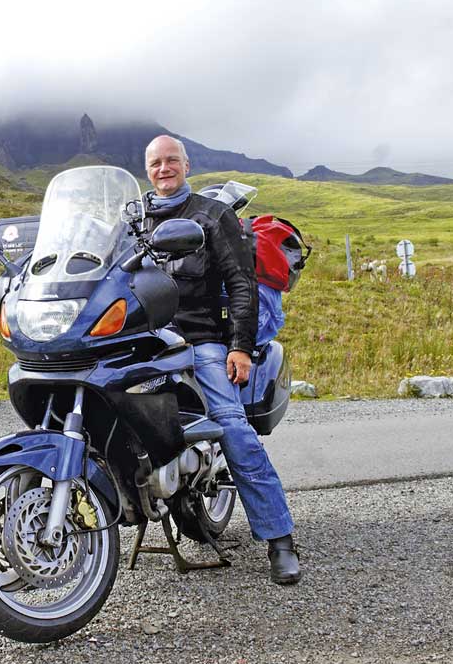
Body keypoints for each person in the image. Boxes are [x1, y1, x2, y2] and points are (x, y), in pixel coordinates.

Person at [143, 134, 301, 585]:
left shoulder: (213, 216)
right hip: (145, 339)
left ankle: (279, 539)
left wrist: (239, 346)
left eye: (172, 160)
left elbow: (242, 283)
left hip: (199, 341)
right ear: (147, 169)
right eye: (156, 162)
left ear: (186, 165)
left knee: (231, 426)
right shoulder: (133, 218)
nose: (164, 168)